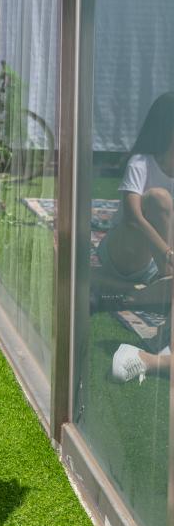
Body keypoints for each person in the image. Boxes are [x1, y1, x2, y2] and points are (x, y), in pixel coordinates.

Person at [104, 92, 174, 382]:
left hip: (161, 261)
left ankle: (159, 348)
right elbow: (132, 217)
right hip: (127, 251)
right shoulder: (142, 162)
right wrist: (168, 256)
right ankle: (166, 278)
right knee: (158, 199)